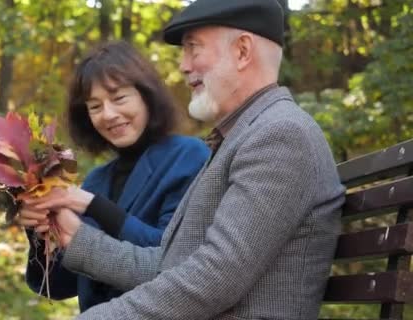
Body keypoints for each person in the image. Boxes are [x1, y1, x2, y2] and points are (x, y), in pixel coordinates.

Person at [27, 1, 346, 319]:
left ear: (242, 51)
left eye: (193, 48)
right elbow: (167, 266)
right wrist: (72, 235)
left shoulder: (279, 134)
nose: (182, 65)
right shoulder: (242, 137)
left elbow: (214, 277)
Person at [18, 40, 210, 312]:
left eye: (119, 98)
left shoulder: (187, 156)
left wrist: (92, 205)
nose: (108, 115)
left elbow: (172, 259)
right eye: (95, 106)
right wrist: (41, 226)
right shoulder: (98, 178)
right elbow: (60, 285)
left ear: (147, 96)